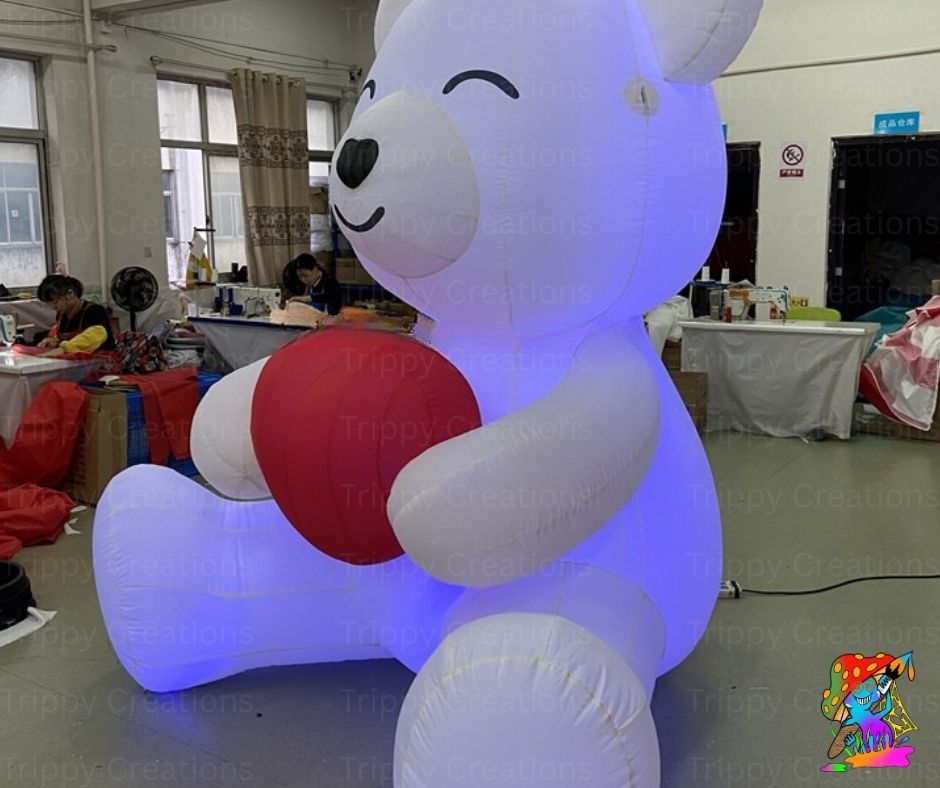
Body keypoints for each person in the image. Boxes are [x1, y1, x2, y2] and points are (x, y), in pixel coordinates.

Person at [37, 274, 116, 354]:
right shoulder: (62, 315)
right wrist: (53, 342)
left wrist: (63, 349)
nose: (53, 307)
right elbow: (66, 340)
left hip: (101, 360)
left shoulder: (94, 311)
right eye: (51, 304)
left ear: (70, 294)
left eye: (56, 302)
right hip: (78, 361)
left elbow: (96, 335)